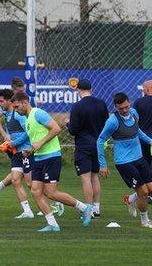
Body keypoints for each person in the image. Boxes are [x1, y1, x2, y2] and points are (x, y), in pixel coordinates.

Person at [11, 92, 93, 232]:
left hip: (51, 157)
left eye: (17, 106)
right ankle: (52, 224)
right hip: (38, 158)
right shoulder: (28, 119)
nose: (16, 110)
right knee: (36, 192)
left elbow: (56, 129)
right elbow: (36, 140)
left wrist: (40, 143)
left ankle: (84, 208)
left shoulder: (38, 113)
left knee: (51, 193)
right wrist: (30, 150)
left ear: (25, 102)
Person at [97, 92, 152, 228]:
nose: (124, 110)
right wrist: (103, 164)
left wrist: (151, 141)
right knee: (144, 192)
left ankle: (130, 199)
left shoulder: (134, 113)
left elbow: (137, 131)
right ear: (115, 107)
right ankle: (145, 221)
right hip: (124, 162)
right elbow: (100, 141)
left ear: (129, 102)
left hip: (139, 158)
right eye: (121, 108)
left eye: (126, 106)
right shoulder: (112, 122)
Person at [0, 89, 35, 218]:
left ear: (9, 101)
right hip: (16, 152)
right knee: (15, 180)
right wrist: (6, 136)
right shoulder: (6, 112)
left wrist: (14, 142)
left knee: (31, 184)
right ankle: (27, 211)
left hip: (25, 151)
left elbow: (28, 132)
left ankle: (56, 203)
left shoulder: (18, 114)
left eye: (1, 101)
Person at [66, 79, 108, 217]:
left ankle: (88, 210)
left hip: (83, 145)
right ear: (91, 89)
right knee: (95, 177)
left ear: (78, 90)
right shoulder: (101, 104)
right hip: (98, 144)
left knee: (85, 178)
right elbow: (106, 125)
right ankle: (97, 208)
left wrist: (68, 123)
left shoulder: (77, 106)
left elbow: (73, 130)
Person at [132, 80, 152, 203]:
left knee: (145, 167)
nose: (143, 91)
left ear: (147, 89)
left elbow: (133, 120)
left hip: (143, 138)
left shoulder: (139, 102)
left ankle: (148, 193)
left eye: (143, 88)